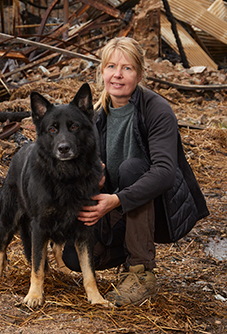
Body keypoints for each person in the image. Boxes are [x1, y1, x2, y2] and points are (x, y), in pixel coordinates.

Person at [61, 37, 209, 306]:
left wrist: (116, 200)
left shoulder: (157, 110)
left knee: (133, 168)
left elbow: (164, 172)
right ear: (101, 72)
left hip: (159, 208)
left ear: (139, 74)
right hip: (115, 207)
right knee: (73, 258)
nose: (117, 75)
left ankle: (141, 272)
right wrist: (96, 176)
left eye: (127, 68)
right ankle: (129, 253)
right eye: (111, 67)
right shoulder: (94, 116)